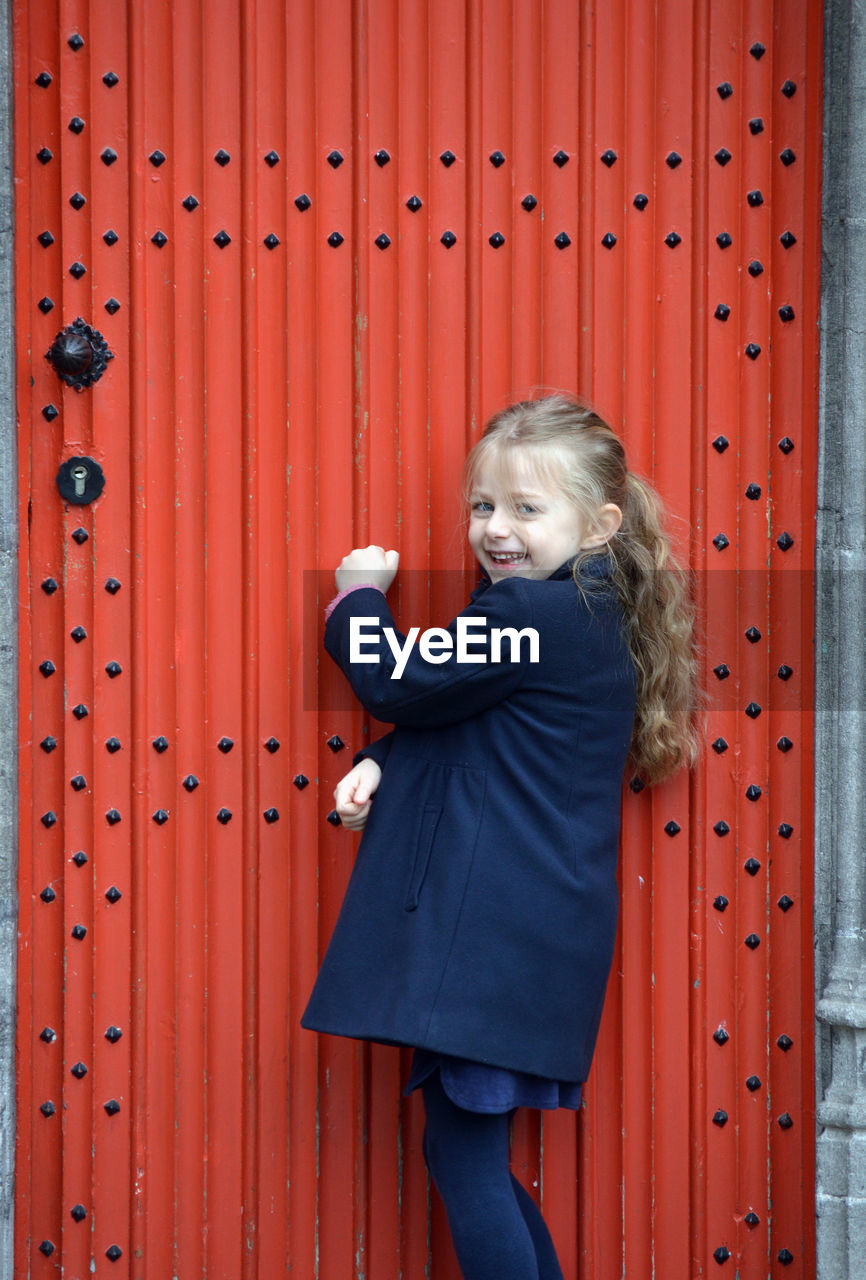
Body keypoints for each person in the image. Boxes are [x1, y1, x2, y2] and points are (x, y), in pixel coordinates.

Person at [301, 393, 701, 1279]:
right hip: (525, 935)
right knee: (465, 1153)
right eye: (483, 505)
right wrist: (389, 762)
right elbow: (484, 723)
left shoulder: (528, 616)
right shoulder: (581, 616)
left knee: (466, 1157)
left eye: (527, 508)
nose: (496, 528)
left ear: (598, 525)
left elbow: (401, 681)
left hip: (487, 935)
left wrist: (356, 599)